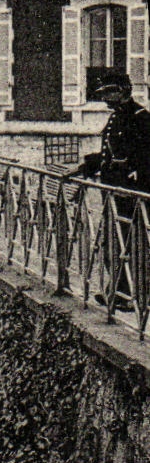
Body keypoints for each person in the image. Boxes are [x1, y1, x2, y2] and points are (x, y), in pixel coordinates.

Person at [69, 71, 150, 310]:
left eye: (108, 92)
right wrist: (85, 166)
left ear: (123, 91)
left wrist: (136, 188)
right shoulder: (116, 117)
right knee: (114, 242)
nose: (104, 98)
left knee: (134, 244)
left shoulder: (141, 118)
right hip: (113, 191)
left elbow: (146, 159)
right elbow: (109, 154)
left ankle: (136, 297)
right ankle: (120, 293)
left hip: (130, 195)